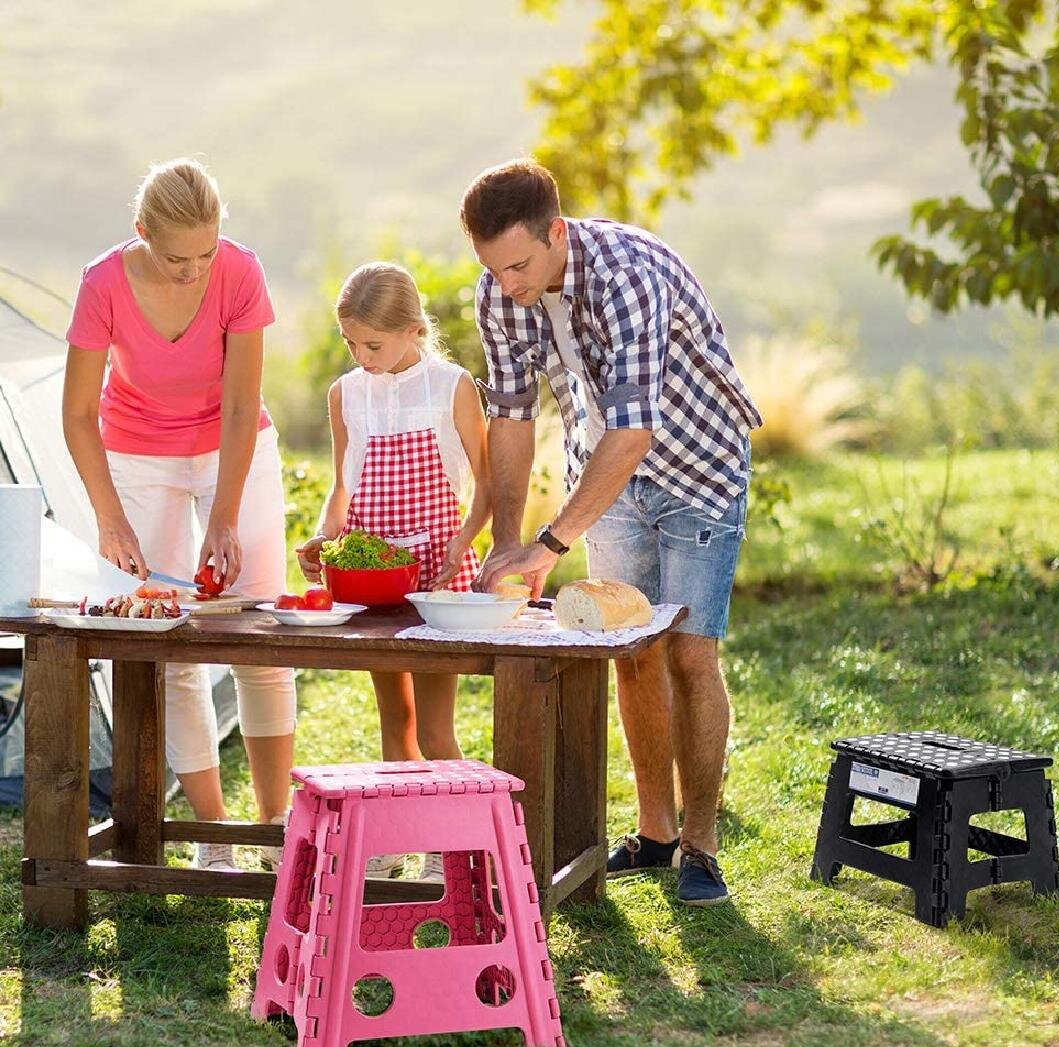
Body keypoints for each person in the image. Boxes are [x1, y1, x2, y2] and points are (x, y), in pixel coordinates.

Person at [461, 159, 762, 906]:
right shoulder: (501, 292)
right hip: (603, 479)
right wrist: (508, 540)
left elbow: (634, 430)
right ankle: (655, 833)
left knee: (691, 654)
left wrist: (551, 543)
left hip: (698, 467)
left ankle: (701, 846)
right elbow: (509, 415)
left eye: (520, 266)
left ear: (557, 232)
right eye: (494, 270)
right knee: (630, 651)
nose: (508, 286)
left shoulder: (627, 274)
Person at [63, 158, 296, 870]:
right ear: (142, 233)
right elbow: (76, 415)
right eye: (176, 257)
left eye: (206, 252)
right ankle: (212, 834)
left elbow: (237, 403)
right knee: (168, 634)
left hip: (235, 449)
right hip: (137, 457)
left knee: (261, 626)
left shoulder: (239, 271)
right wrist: (109, 518)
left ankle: (274, 825)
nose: (194, 271)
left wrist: (223, 516)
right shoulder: (103, 283)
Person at [295, 262, 491, 881]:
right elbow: (344, 487)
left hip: (436, 577)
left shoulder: (451, 386)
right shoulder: (346, 393)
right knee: (394, 720)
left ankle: (450, 846)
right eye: (351, 343)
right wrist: (327, 540)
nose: (361, 356)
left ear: (412, 330)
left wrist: (463, 545)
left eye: (372, 344)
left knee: (435, 728)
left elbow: (487, 484)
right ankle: (401, 839)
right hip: (374, 580)